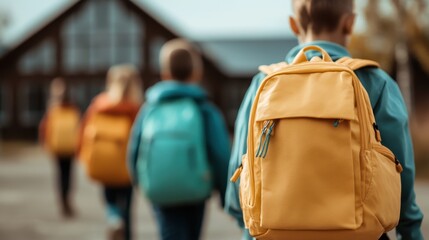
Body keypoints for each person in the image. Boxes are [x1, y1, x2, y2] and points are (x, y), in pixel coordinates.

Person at [225, 0, 424, 240]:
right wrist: (409, 228)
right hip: (358, 230)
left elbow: (240, 163)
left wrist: (247, 225)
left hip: (276, 230)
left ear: (293, 25)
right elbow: (400, 165)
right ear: (349, 23)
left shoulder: (262, 83)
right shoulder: (374, 80)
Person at [127, 39, 231, 240]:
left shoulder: (150, 108)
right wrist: (225, 191)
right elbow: (220, 153)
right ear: (196, 73)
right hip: (196, 190)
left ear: (165, 74)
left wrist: (139, 181)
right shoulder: (205, 110)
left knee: (170, 233)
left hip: (161, 188)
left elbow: (135, 148)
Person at [77, 64, 142, 240]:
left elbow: (83, 131)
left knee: (110, 200)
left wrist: (83, 156)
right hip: (126, 166)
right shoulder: (135, 108)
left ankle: (114, 220)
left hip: (104, 162)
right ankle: (126, 233)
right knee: (127, 207)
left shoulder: (99, 105)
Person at [39, 77, 79, 218]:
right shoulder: (68, 107)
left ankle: (64, 200)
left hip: (63, 147)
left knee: (63, 176)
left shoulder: (53, 108)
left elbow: (44, 127)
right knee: (65, 175)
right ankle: (65, 201)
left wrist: (44, 142)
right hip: (64, 147)